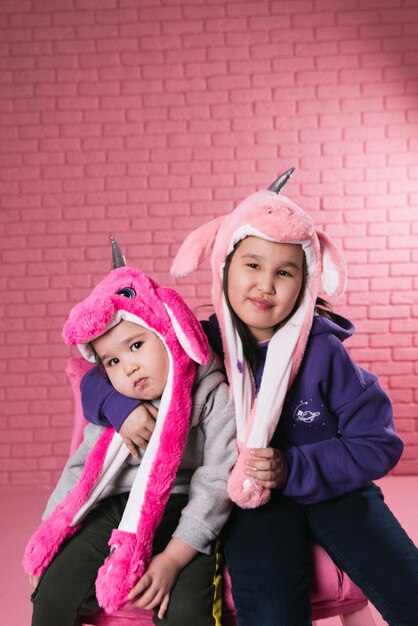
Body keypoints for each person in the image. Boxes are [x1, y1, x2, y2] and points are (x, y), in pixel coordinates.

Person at [169, 169, 418, 626]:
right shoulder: (200, 348)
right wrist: (119, 410)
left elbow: (379, 443)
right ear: (223, 265)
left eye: (284, 271)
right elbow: (111, 374)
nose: (265, 284)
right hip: (253, 501)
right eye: (252, 265)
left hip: (336, 490)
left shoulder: (325, 353)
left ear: (306, 282)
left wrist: (295, 467)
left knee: (409, 588)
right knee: (271, 610)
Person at [23, 241, 236, 626]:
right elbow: (81, 471)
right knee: (52, 597)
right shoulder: (115, 408)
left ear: (168, 333)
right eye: (114, 361)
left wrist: (174, 557)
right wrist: (50, 533)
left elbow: (217, 479)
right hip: (117, 507)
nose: (129, 368)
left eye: (137, 345)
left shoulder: (211, 394)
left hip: (185, 511)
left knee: (187, 612)